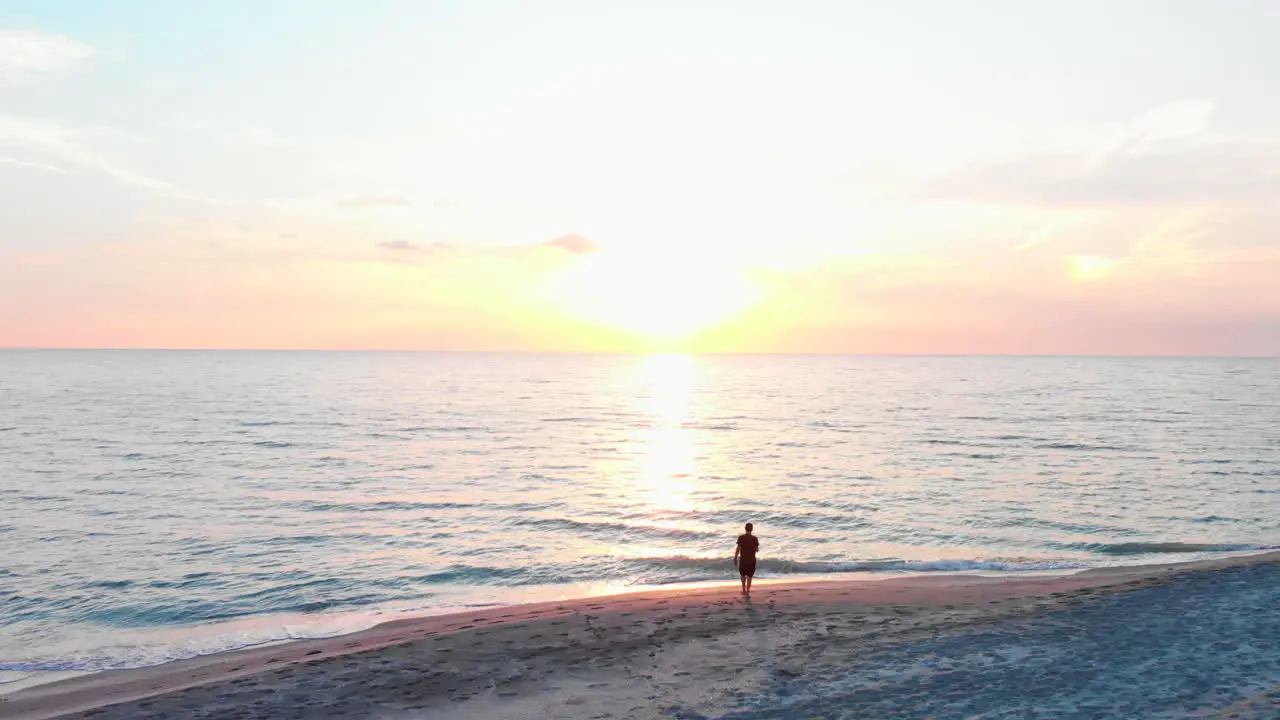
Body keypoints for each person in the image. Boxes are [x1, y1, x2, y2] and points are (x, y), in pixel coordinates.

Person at [734, 522, 759, 597]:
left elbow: (738, 549)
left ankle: (744, 590)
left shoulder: (741, 537)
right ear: (752, 529)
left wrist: (735, 558)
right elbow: (757, 550)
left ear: (745, 529)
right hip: (752, 560)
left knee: (743, 575)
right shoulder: (754, 538)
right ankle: (748, 592)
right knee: (749, 576)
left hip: (743, 560)